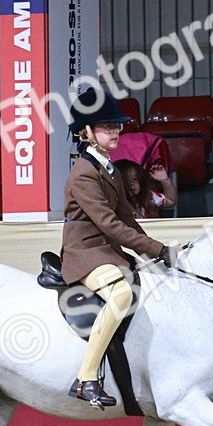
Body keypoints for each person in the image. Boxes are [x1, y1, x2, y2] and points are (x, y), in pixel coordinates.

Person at [61, 88, 172, 409]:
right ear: (86, 132)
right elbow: (109, 224)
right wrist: (157, 248)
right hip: (85, 253)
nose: (116, 132)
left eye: (117, 126)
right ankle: (86, 377)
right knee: (121, 294)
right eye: (107, 127)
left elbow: (126, 217)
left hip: (107, 251)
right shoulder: (83, 174)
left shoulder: (109, 167)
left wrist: (156, 253)